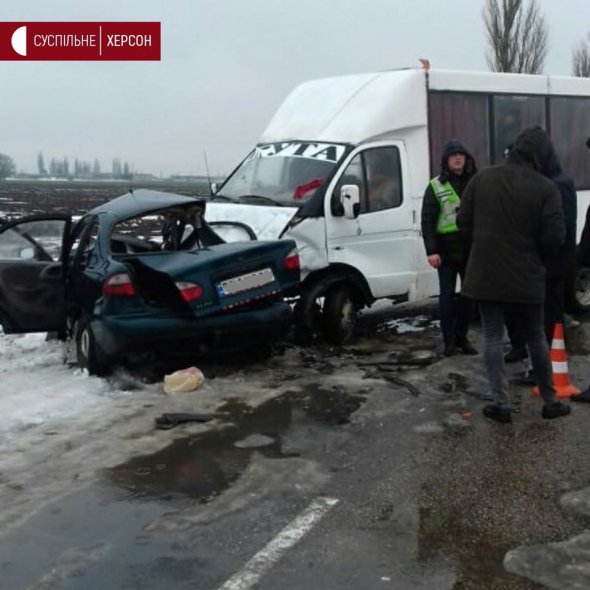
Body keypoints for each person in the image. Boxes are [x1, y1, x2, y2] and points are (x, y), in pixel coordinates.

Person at [457, 126, 571, 423]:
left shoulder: (482, 178)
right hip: (528, 276)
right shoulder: (546, 188)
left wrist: (482, 247)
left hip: (485, 274)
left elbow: (462, 222)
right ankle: (550, 400)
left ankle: (500, 403)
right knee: (536, 336)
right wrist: (535, 258)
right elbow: (555, 238)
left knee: (493, 336)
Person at [504, 142, 578, 362]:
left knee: (550, 317)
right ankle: (547, 363)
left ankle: (552, 365)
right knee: (541, 316)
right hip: (548, 263)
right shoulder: (552, 181)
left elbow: (556, 229)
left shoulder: (557, 184)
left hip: (553, 264)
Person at [421, 139, 478, 356]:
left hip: (469, 248)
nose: (458, 158)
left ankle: (462, 337)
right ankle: (449, 340)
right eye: (453, 155)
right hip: (445, 249)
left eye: (461, 154)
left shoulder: (475, 181)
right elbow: (428, 220)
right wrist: (431, 250)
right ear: (446, 160)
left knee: (469, 296)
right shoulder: (435, 186)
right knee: (446, 296)